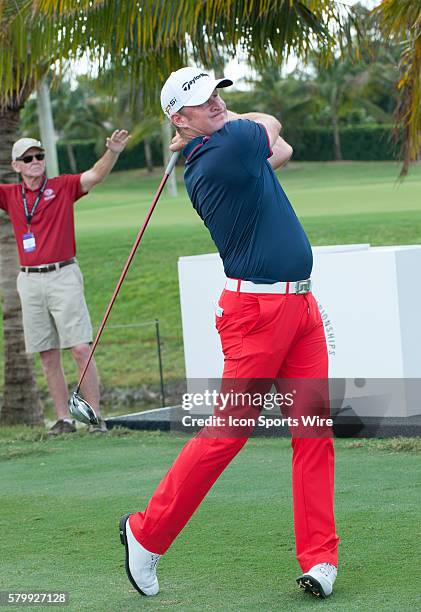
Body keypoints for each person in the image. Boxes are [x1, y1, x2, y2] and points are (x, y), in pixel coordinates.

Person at [119, 67, 339, 599]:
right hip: (255, 315)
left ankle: (319, 557)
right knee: (228, 434)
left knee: (312, 428)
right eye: (201, 99)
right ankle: (145, 533)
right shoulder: (222, 152)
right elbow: (271, 122)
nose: (216, 102)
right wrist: (229, 120)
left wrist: (207, 123)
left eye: (217, 92)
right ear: (179, 118)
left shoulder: (224, 151)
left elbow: (279, 153)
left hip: (300, 307)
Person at [0, 130, 131, 435]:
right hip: (29, 281)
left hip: (63, 275)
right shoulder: (9, 194)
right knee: (47, 353)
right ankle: (63, 419)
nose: (35, 161)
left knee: (80, 348)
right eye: (27, 158)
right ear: (16, 165)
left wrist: (112, 151)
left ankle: (95, 417)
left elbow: (96, 176)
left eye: (39, 156)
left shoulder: (62, 186)